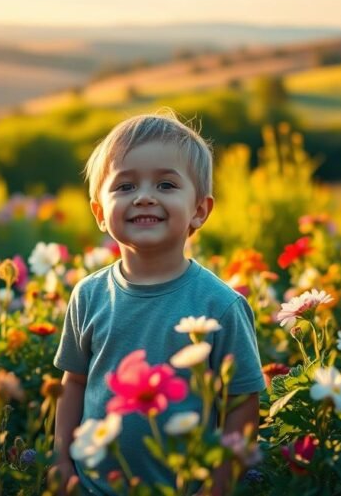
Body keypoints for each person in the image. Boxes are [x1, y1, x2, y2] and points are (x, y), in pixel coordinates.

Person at [53, 111, 266, 495]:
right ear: (100, 213)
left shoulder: (221, 306)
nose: (145, 196)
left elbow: (242, 405)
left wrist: (218, 485)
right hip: (92, 487)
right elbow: (75, 384)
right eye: (125, 186)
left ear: (200, 210)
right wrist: (62, 461)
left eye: (166, 184)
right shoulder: (87, 295)